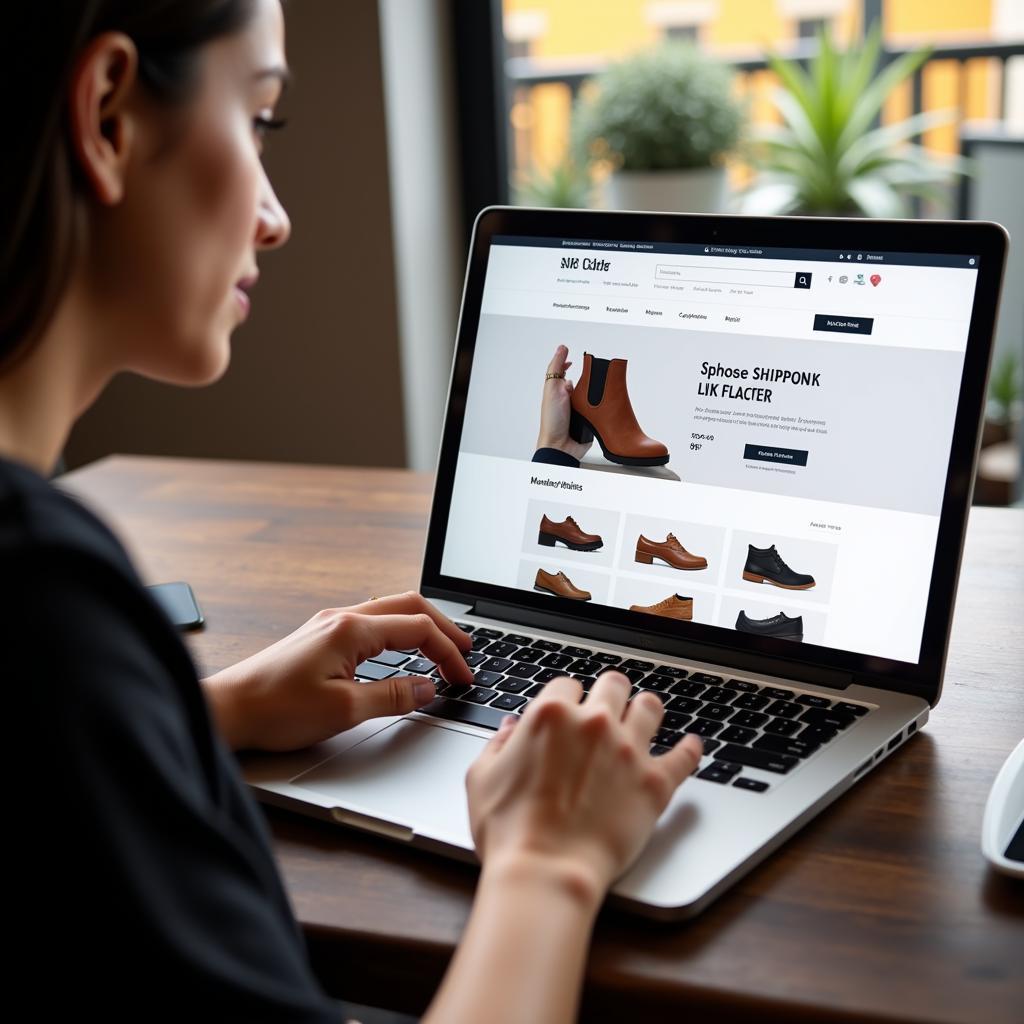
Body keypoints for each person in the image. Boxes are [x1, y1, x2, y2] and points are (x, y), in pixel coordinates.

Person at [1, 2, 704, 1020]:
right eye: (260, 117)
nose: (276, 218)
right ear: (109, 115)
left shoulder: (47, 619)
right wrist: (549, 863)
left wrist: (195, 711)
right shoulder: (39, 595)